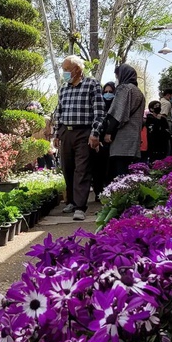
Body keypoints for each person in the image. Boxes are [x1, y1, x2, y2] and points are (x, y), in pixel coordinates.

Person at [52, 55, 104, 222]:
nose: (64, 73)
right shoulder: (64, 88)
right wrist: (56, 133)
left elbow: (99, 111)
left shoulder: (91, 84)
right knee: (67, 168)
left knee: (82, 169)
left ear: (77, 70)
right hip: (66, 132)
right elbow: (58, 111)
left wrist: (95, 133)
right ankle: (73, 202)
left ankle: (81, 207)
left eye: (66, 70)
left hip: (84, 132)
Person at [103, 64, 145, 179]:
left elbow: (117, 113)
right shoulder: (139, 93)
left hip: (121, 139)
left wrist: (109, 132)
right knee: (127, 176)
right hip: (134, 139)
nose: (117, 79)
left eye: (117, 76)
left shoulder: (124, 89)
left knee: (118, 174)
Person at [91, 81, 116, 201]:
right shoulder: (98, 108)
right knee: (97, 169)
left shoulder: (116, 109)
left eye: (111, 92)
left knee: (110, 170)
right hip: (99, 143)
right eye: (105, 92)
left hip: (113, 144)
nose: (108, 94)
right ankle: (98, 192)